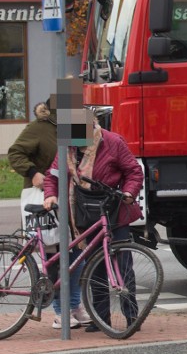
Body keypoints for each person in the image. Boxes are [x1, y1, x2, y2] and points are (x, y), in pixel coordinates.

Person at [43, 121, 143, 332]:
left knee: (123, 267)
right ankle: (101, 319)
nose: (74, 144)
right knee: (95, 268)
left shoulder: (113, 142)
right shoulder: (67, 148)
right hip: (85, 212)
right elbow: (53, 175)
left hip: (113, 209)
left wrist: (128, 193)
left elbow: (134, 171)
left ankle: (132, 316)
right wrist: (50, 195)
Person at [8, 97, 85, 329]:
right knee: (56, 254)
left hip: (73, 198)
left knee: (76, 255)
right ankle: (61, 312)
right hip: (46, 198)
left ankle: (74, 306)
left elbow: (85, 156)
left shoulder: (78, 123)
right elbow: (15, 153)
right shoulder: (39, 128)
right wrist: (33, 173)